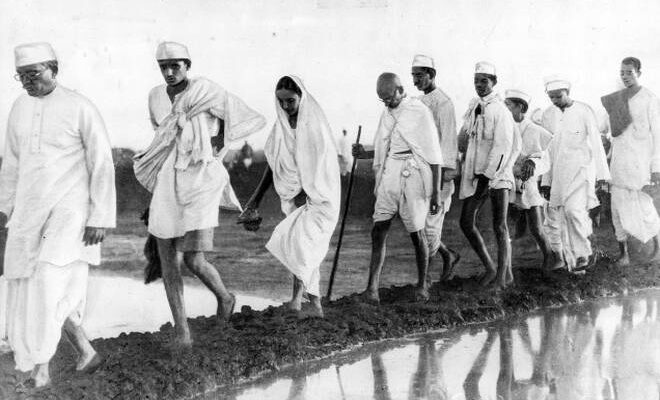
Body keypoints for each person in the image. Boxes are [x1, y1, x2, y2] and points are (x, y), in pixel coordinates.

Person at [133, 41, 266, 347]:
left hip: (202, 178)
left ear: (187, 66)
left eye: (175, 66)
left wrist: (216, 147)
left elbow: (236, 119)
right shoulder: (155, 96)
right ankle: (182, 331)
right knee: (168, 258)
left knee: (193, 259)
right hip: (169, 178)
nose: (169, 72)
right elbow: (161, 136)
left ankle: (225, 298)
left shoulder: (207, 91)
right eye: (163, 67)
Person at [0, 42, 116, 387]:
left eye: (33, 73)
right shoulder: (19, 108)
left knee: (49, 284)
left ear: (54, 69)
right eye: (21, 76)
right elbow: (12, 164)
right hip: (28, 211)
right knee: (28, 283)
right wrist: (3, 209)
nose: (27, 81)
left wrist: (100, 216)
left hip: (71, 210)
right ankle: (85, 351)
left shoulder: (80, 106)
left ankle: (41, 370)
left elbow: (101, 162)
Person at [240, 76, 340, 318]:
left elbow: (324, 165)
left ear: (301, 97)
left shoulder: (315, 125)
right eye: (281, 101)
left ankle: (299, 300)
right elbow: (273, 163)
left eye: (290, 101)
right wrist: (254, 201)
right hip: (292, 195)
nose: (286, 106)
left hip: (321, 197)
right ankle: (314, 303)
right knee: (302, 248)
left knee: (302, 243)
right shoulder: (281, 127)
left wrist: (308, 192)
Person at [353, 72, 443, 303]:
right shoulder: (387, 113)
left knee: (417, 233)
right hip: (390, 173)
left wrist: (436, 194)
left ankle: (422, 285)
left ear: (401, 90)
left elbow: (434, 155)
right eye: (382, 99)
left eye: (389, 98)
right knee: (378, 229)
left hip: (414, 174)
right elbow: (386, 148)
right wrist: (364, 154)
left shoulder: (419, 111)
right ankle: (372, 289)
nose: (386, 103)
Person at [458, 62, 521, 288]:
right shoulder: (475, 107)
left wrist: (488, 177)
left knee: (500, 225)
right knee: (466, 222)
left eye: (484, 81)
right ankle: (491, 268)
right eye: (476, 81)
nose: (479, 85)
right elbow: (465, 138)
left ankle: (504, 276)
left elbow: (503, 146)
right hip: (477, 175)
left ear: (494, 82)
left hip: (498, 175)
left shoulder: (500, 110)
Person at [540, 75, 610, 271]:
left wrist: (602, 176)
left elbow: (596, 143)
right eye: (551, 97)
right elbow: (549, 151)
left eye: (559, 96)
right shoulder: (549, 115)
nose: (555, 101)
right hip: (559, 175)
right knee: (564, 216)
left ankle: (584, 254)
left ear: (568, 92)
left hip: (581, 172)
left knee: (574, 211)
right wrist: (546, 180)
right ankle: (575, 261)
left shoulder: (583, 110)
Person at [601, 57, 660, 266]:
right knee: (617, 206)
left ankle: (658, 248)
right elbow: (609, 131)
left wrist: (656, 167)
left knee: (644, 207)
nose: (625, 77)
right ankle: (624, 254)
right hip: (619, 162)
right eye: (622, 73)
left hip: (640, 162)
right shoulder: (617, 99)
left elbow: (657, 134)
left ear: (639, 73)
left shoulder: (649, 98)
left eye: (629, 72)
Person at [410, 54, 461, 281]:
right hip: (419, 174)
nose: (415, 80)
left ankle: (425, 283)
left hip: (439, 176)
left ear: (431, 75)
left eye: (419, 76)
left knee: (430, 230)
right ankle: (448, 255)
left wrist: (440, 183)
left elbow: (448, 142)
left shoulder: (444, 103)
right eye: (413, 76)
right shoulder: (417, 102)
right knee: (419, 227)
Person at [504, 89, 559, 270]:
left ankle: (550, 256)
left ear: (520, 107)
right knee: (508, 223)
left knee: (536, 227)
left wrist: (533, 161)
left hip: (527, 182)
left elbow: (546, 157)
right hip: (508, 179)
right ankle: (510, 263)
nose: (505, 109)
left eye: (509, 105)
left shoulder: (535, 130)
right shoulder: (505, 126)